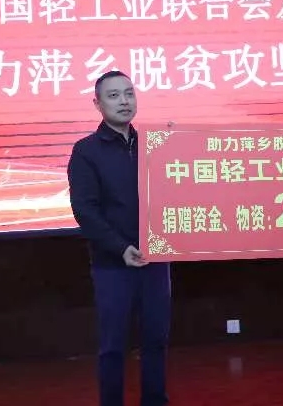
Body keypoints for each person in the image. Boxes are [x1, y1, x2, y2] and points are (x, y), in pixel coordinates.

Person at [67, 70, 171, 406]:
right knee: (113, 346)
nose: (124, 101)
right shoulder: (86, 151)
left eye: (129, 93)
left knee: (156, 340)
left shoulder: (156, 145)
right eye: (113, 96)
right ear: (97, 104)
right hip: (113, 264)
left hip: (156, 260)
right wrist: (120, 247)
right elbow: (85, 211)